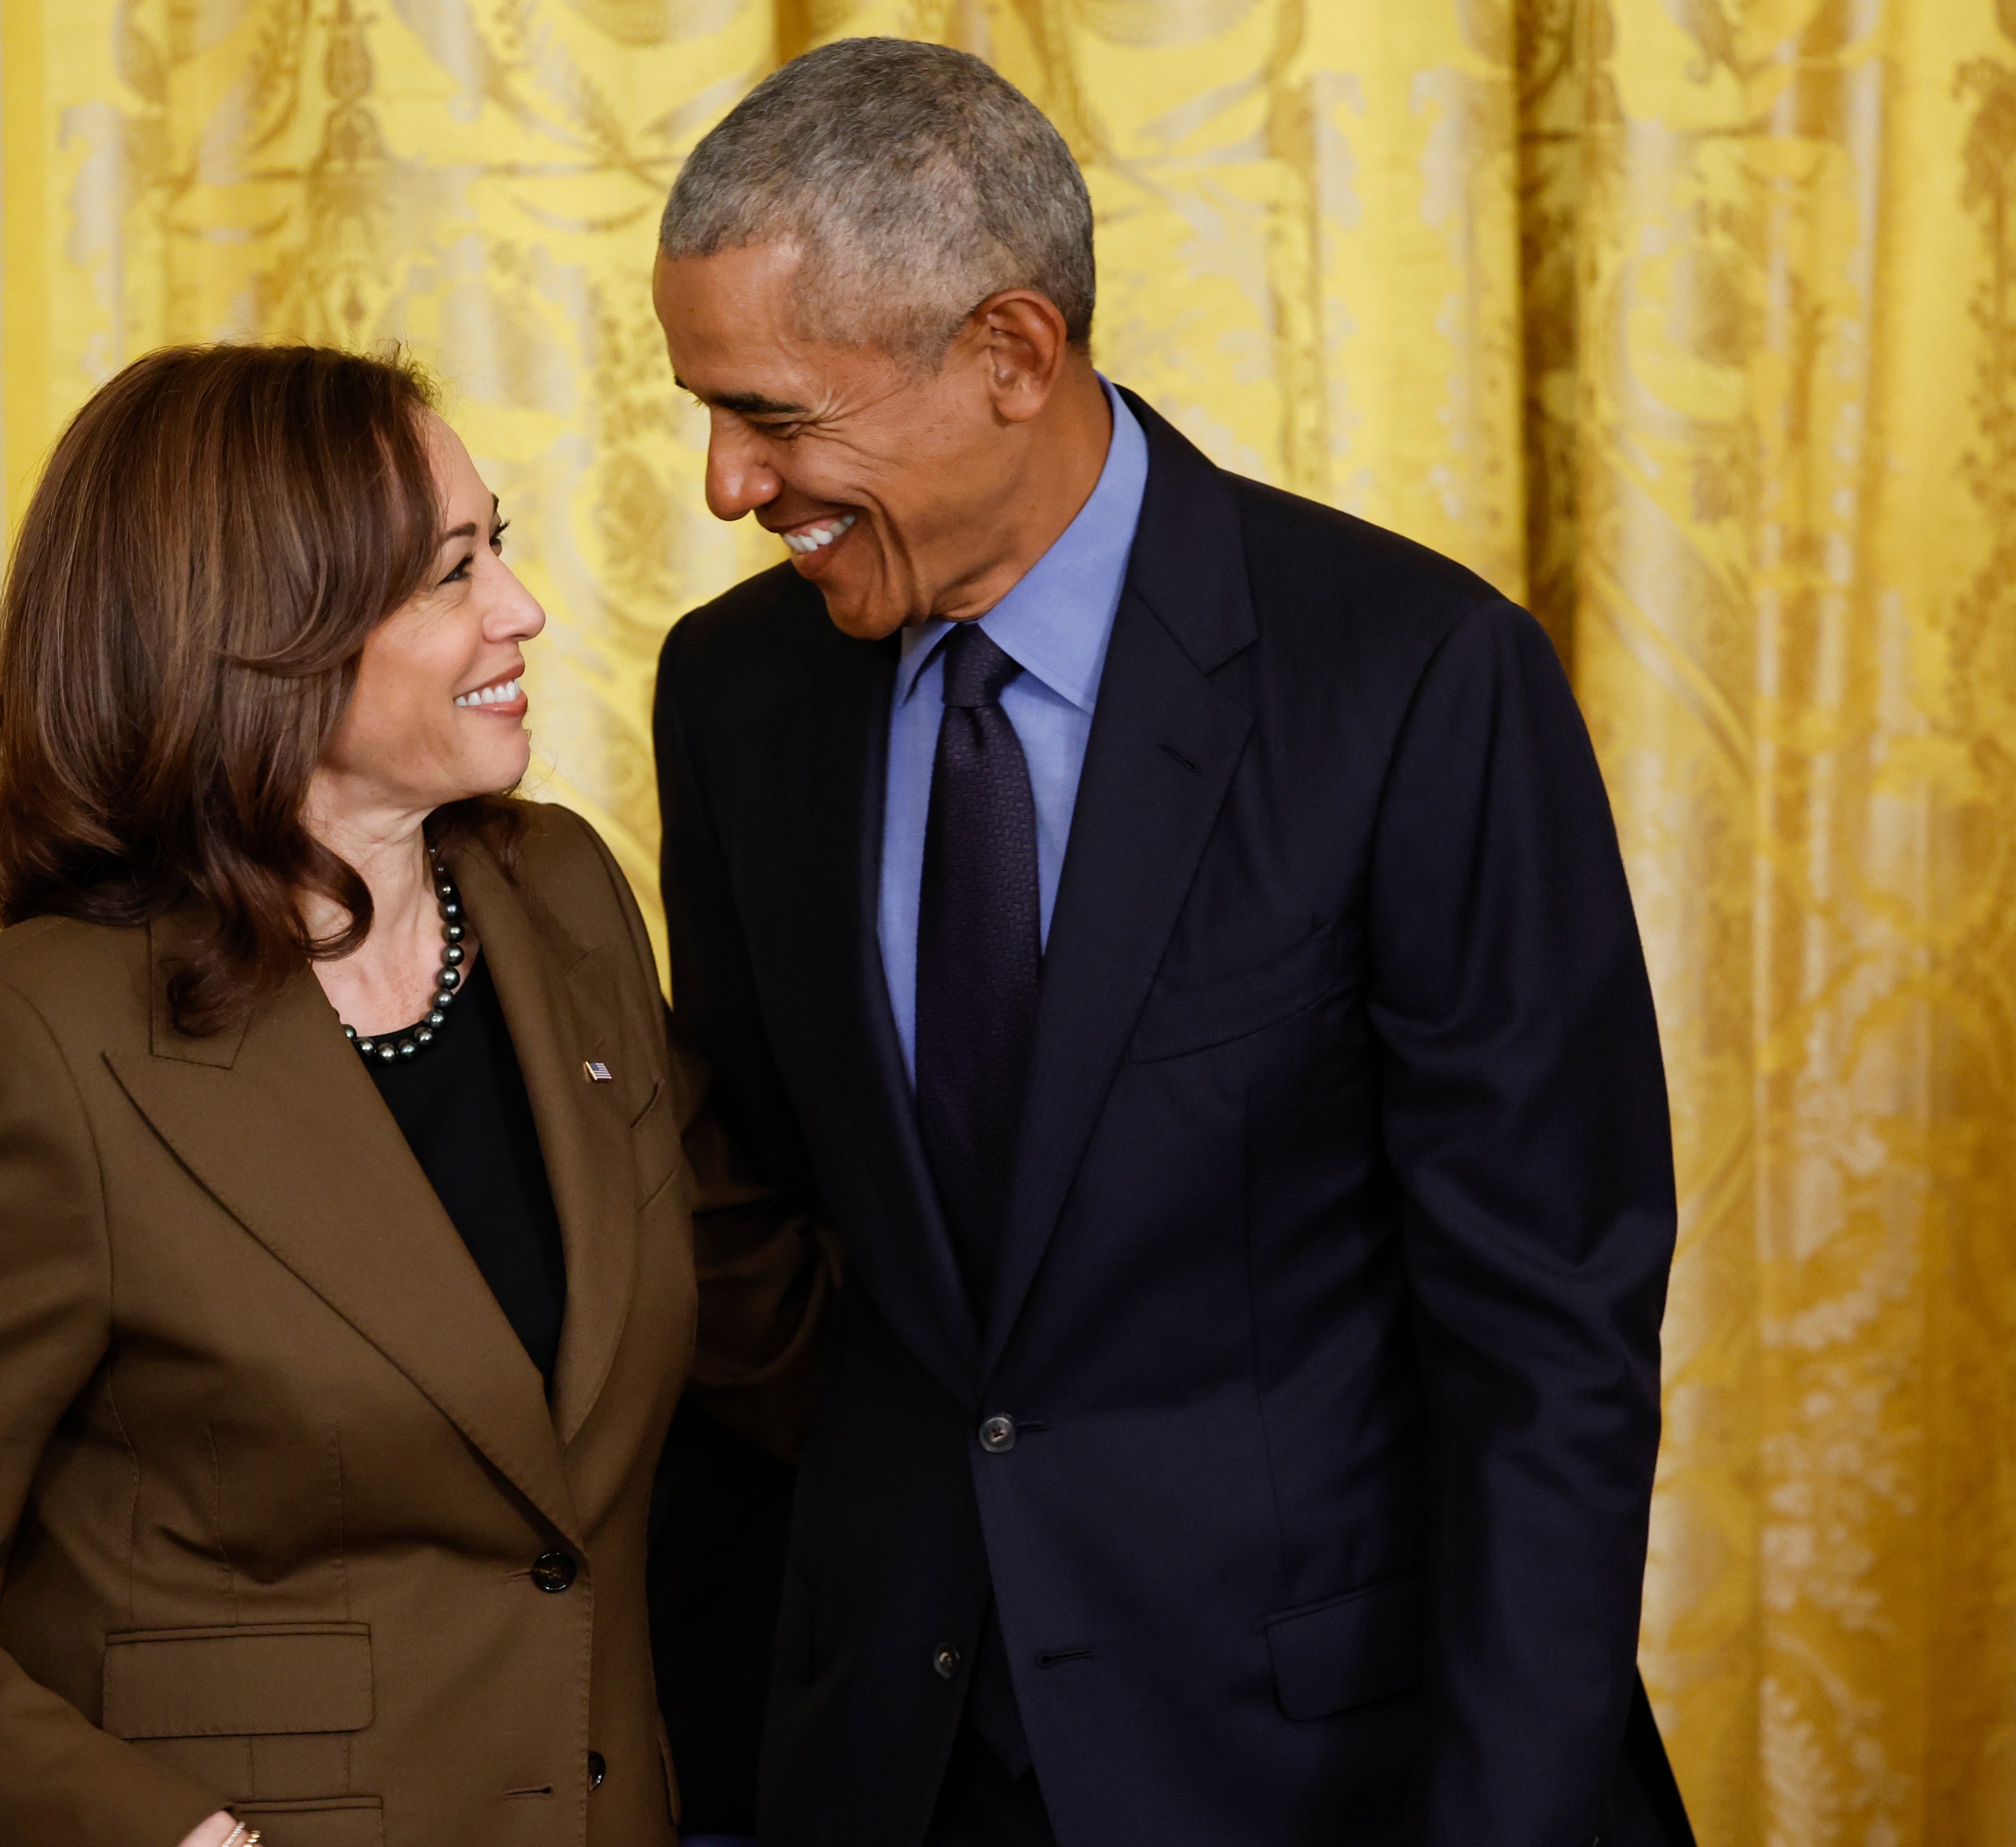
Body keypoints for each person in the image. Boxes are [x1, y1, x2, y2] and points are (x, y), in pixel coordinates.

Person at [646, 38, 1700, 1847]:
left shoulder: (1411, 681)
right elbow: (764, 1276)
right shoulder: (736, 698)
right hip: (884, 1769)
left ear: (1009, 354)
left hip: (1309, 1773)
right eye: (707, 411)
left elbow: (1546, 1346)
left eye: (776, 415)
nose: (730, 485)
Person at [0, 343, 818, 1847]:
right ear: (261, 634)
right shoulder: (36, 1040)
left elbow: (758, 1323)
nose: (521, 608)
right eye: (451, 573)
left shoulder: (559, 895)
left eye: (496, 544)